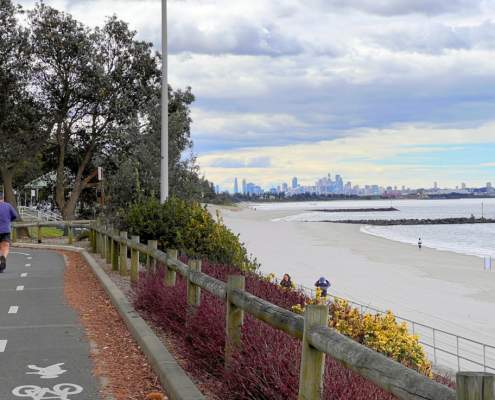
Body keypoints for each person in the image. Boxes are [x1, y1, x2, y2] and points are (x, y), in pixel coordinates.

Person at [0, 192, 18, 273]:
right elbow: (15, 215)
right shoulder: (8, 205)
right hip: (5, 229)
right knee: (5, 245)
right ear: (2, 198)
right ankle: (3, 257)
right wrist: (8, 220)